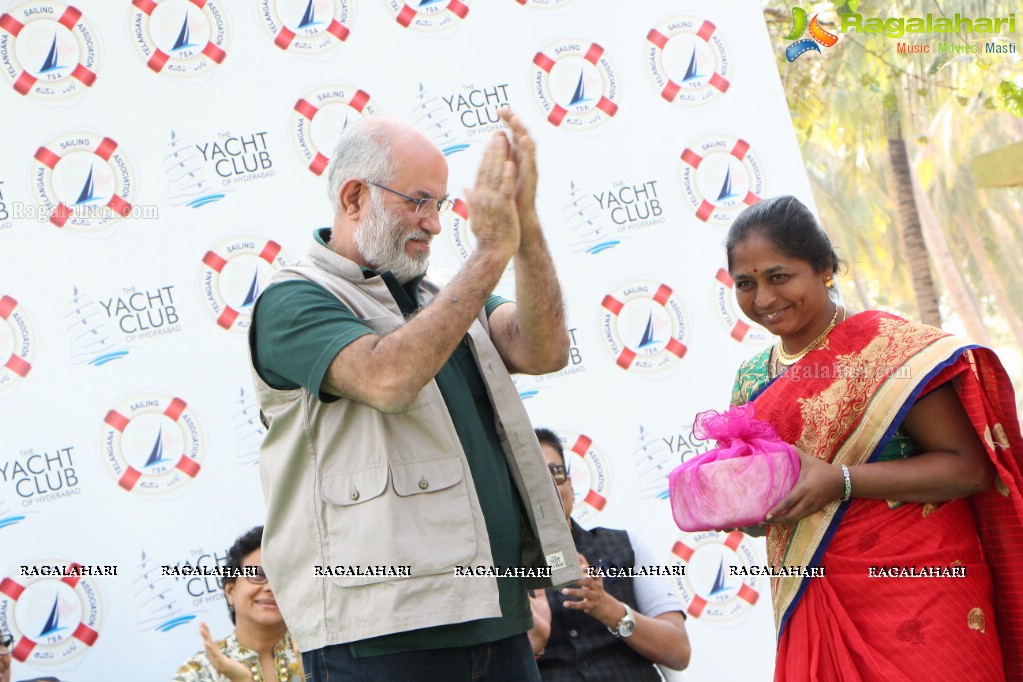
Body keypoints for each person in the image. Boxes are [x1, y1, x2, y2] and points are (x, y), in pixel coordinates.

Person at [248, 107, 581, 681]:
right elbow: (388, 379)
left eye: (441, 205)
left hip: (496, 615)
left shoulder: (437, 294)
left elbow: (543, 350)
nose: (432, 222)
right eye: (418, 201)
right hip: (382, 637)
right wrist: (489, 254)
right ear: (354, 197)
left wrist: (523, 231)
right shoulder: (292, 300)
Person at [725, 195, 1023, 681]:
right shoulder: (752, 379)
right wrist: (739, 506)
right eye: (745, 283)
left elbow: (968, 467)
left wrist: (841, 481)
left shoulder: (889, 351)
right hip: (814, 591)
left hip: (921, 586)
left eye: (779, 277)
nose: (762, 299)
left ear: (824, 268)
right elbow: (764, 517)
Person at [529, 428, 690, 680]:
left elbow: (678, 652)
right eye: (532, 478)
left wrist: (607, 608)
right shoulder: (501, 572)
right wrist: (533, 647)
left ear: (570, 483)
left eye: (555, 473)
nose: (548, 487)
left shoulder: (626, 546)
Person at [173, 526, 302, 682]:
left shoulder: (319, 656)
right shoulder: (198, 671)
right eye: (258, 575)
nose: (270, 587)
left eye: (280, 578)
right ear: (230, 591)